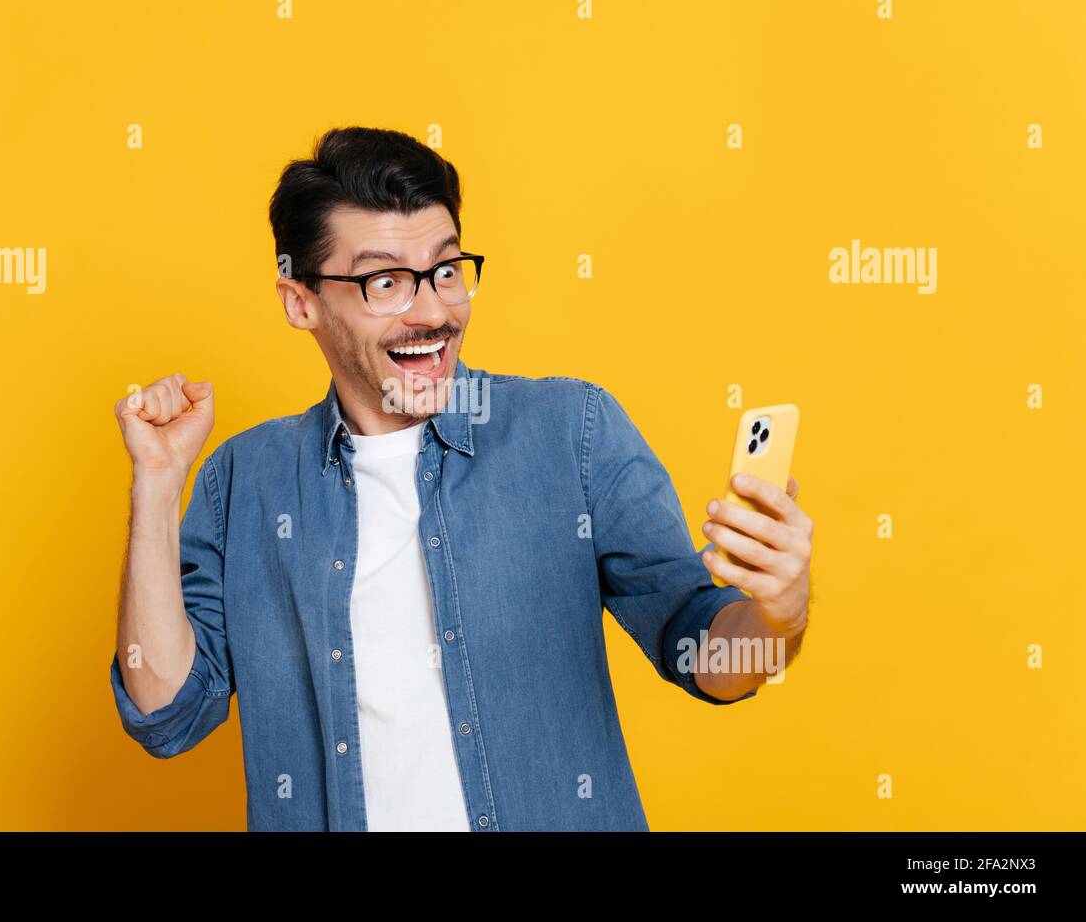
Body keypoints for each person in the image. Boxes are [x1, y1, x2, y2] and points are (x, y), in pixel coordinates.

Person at [109, 126, 813, 831]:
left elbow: (698, 649)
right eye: (386, 281)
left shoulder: (572, 431)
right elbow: (168, 710)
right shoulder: (247, 479)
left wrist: (777, 616)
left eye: (447, 270)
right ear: (302, 302)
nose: (434, 311)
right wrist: (158, 485)